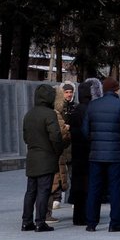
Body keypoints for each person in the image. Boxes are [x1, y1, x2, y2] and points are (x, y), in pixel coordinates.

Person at [81, 76, 120, 232]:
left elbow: (85, 130)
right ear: (117, 89)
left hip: (96, 154)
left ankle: (91, 223)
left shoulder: (92, 106)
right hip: (116, 155)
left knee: (94, 188)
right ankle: (114, 222)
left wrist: (94, 142)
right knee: (115, 188)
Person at [20, 83, 66, 232]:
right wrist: (57, 151)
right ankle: (40, 222)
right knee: (44, 190)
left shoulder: (29, 114)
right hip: (47, 157)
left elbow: (26, 137)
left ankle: (26, 221)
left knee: (30, 191)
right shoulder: (50, 114)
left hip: (32, 156)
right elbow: (56, 137)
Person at [68, 78, 101, 227]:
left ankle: (77, 216)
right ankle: (89, 215)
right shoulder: (92, 110)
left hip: (77, 152)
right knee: (90, 185)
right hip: (90, 152)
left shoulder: (75, 111)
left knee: (78, 184)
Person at [51, 82, 74, 217]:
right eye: (66, 92)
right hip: (60, 144)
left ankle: (72, 197)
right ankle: (56, 197)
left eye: (71, 92)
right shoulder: (56, 108)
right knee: (58, 173)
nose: (69, 94)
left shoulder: (74, 107)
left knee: (72, 172)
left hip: (71, 145)